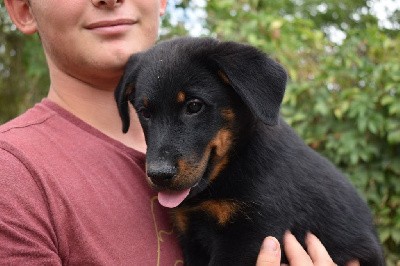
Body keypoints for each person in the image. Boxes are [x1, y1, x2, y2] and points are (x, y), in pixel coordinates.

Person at [1, 0, 355, 265]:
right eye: (146, 113)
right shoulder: (14, 178)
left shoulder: (246, 161)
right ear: (22, 9)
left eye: (193, 107)